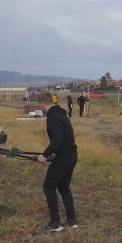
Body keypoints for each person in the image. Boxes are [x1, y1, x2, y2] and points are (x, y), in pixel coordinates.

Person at [36, 92, 78, 232]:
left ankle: (56, 223)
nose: (39, 107)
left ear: (42, 104)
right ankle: (72, 220)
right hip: (71, 154)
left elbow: (57, 141)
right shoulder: (62, 114)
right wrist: (53, 154)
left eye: (39, 105)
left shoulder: (53, 117)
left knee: (49, 186)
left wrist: (45, 155)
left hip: (64, 157)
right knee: (63, 187)